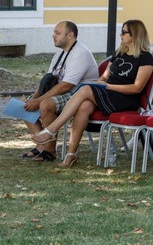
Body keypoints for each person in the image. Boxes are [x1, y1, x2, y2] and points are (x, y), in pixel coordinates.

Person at [31, 20, 153, 168]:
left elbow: (137, 88)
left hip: (125, 98)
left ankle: (52, 129)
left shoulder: (145, 57)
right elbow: (104, 77)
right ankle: (71, 154)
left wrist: (107, 86)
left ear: (135, 34)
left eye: (124, 32)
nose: (120, 34)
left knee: (85, 89)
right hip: (108, 93)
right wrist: (99, 83)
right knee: (84, 106)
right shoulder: (119, 53)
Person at [21, 21, 98, 162]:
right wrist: (34, 98)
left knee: (45, 104)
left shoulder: (80, 53)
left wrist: (38, 102)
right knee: (23, 105)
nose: (53, 36)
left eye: (57, 33)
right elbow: (47, 80)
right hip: (65, 93)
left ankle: (50, 150)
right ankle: (41, 145)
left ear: (70, 35)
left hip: (79, 95)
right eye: (54, 33)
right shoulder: (59, 54)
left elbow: (66, 86)